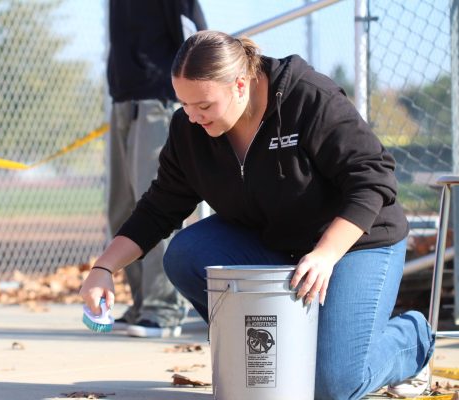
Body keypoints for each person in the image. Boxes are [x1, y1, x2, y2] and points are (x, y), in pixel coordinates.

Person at [82, 30, 435, 398]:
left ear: (239, 85)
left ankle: (413, 337)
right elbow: (158, 207)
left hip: (355, 242)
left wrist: (327, 253)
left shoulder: (308, 97)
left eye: (203, 105)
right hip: (276, 244)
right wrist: (103, 269)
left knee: (333, 385)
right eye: (183, 104)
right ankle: (273, 351)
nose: (192, 117)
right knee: (187, 253)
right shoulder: (190, 129)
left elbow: (373, 179)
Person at [105, 0, 206, 338]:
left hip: (159, 100)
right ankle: (141, 304)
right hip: (123, 99)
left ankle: (164, 308)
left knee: (155, 203)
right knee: (120, 208)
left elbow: (196, 41)